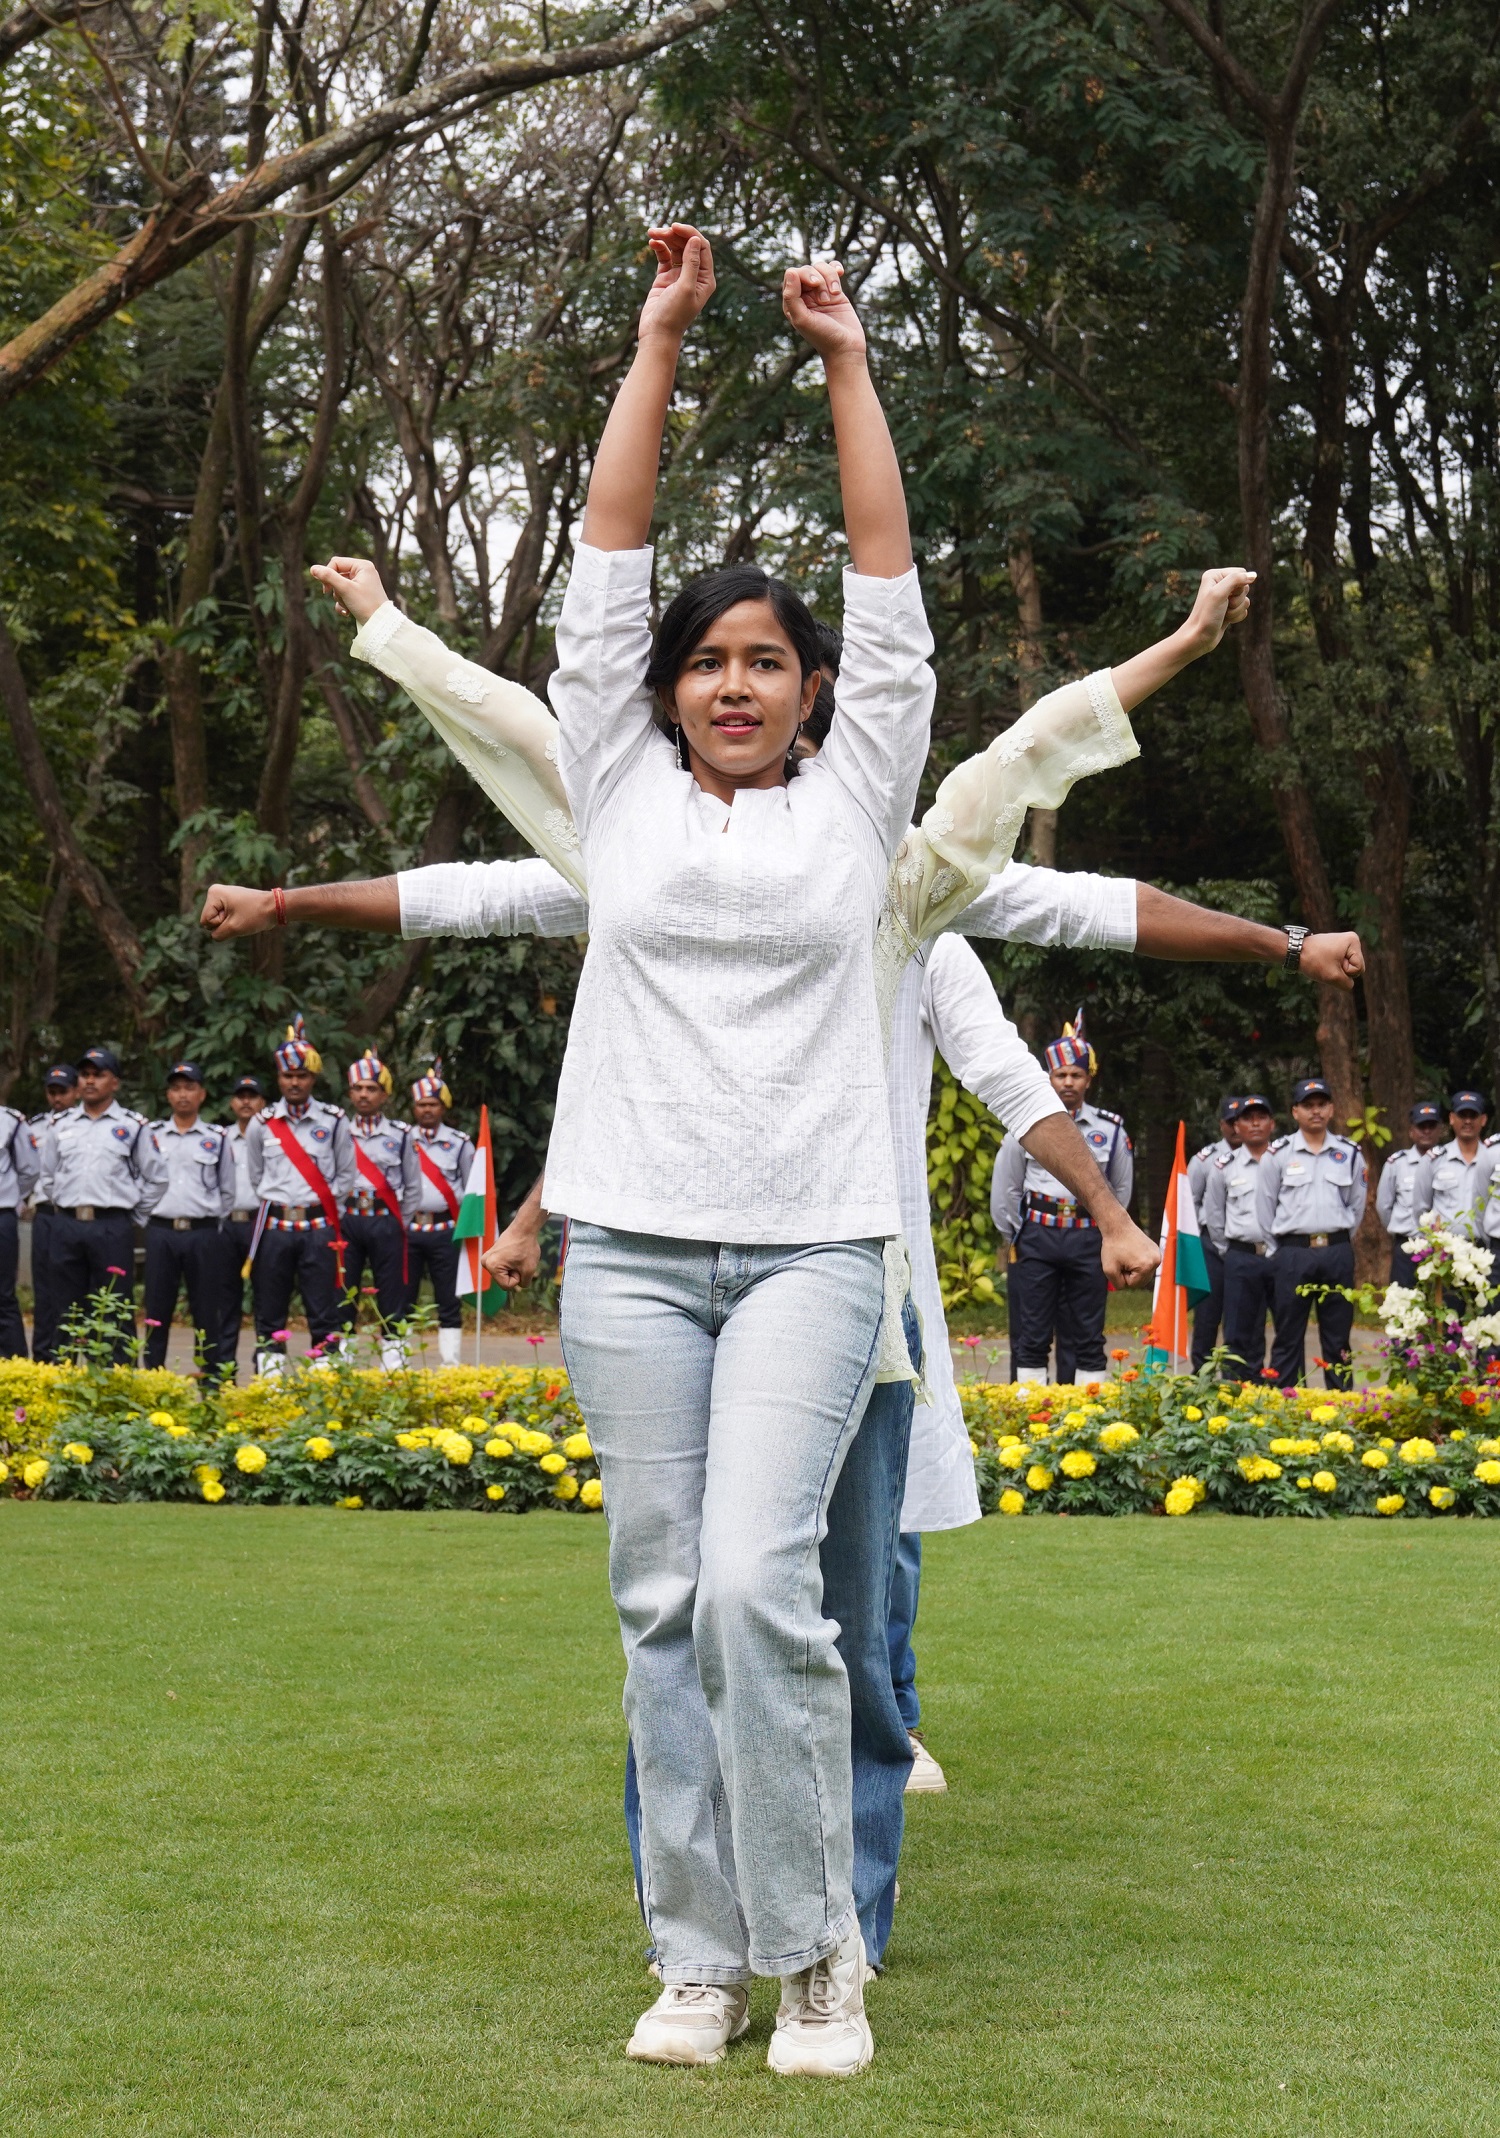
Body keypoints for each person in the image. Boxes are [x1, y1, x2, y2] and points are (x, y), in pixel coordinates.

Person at [991, 1012, 1133, 1385]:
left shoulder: (1110, 1129)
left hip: (1088, 1236)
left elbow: (1120, 1190)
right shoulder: (1025, 1125)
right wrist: (1017, 1235)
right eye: (1060, 1075)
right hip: (1038, 1236)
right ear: (1048, 1078)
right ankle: (1030, 1418)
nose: (1068, 1082)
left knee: (1088, 1332)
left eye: (1076, 1075)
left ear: (1089, 1079)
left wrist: (1108, 1231)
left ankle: (1086, 1417)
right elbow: (1007, 1188)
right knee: (1032, 1332)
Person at [32, 1046, 167, 1361]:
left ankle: (113, 1390)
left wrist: (133, 1217)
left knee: (113, 1308)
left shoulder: (133, 1126)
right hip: (65, 1225)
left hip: (111, 1227)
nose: (90, 1081)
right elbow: (47, 1176)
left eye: (99, 1075)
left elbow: (157, 1178)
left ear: (115, 1082)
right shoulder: (61, 1125)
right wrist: (65, 1206)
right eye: (85, 1075)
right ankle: (61, 1384)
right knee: (64, 1309)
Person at [245, 1018, 354, 1375]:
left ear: (313, 1079)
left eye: (302, 1076)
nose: (294, 1082)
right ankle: (271, 1385)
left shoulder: (334, 1121)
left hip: (319, 1228)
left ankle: (323, 1385)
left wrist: (316, 1203)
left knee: (323, 1309)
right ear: (279, 1078)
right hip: (275, 1227)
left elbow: (345, 1176)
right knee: (269, 1308)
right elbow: (255, 1175)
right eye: (288, 1076)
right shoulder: (262, 1123)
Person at [1255, 1076, 1367, 1390]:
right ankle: (1285, 1404)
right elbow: (1265, 1207)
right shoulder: (1277, 1154)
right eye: (1308, 1106)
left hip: (1336, 1252)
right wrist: (1281, 1249)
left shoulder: (1349, 1153)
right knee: (1288, 1333)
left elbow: (1356, 1206)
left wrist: (1337, 1239)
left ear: (1331, 1109)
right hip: (1293, 1253)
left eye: (1321, 1104)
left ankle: (1342, 1406)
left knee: (1338, 1335)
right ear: (1295, 1112)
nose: (1315, 1111)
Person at [142, 1061, 237, 1375]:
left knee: (206, 1308)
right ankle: (153, 1377)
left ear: (202, 1094)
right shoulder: (152, 1135)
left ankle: (209, 1380)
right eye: (176, 1088)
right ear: (168, 1095)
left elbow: (228, 1190)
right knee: (157, 1308)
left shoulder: (217, 1137)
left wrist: (209, 1222)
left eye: (189, 1088)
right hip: (160, 1230)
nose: (183, 1095)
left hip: (203, 1233)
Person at [342, 1052, 419, 1371]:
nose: (364, 1094)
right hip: (347, 1219)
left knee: (392, 1290)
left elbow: (413, 1186)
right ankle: (340, 1361)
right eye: (358, 1088)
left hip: (386, 1220)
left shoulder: (401, 1134)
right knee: (344, 1290)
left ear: (384, 1095)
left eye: (371, 1088)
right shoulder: (338, 1131)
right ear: (350, 1093)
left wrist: (400, 1222)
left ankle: (394, 1365)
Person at [1200, 1093, 1276, 1377]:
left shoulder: (1284, 1162)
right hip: (1241, 1256)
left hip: (1281, 1256)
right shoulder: (1223, 1166)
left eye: (1261, 1118)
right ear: (1236, 1126)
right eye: (1247, 1118)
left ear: (1272, 1123)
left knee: (1288, 1330)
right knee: (1239, 1330)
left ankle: (1287, 1394)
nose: (1255, 1124)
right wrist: (1227, 1249)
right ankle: (1236, 1391)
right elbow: (1214, 1215)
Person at [406, 1061, 475, 1369]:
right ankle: (398, 1364)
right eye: (421, 1104)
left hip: (445, 1229)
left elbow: (472, 1188)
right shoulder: (402, 1139)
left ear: (443, 1106)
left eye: (432, 1104)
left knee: (448, 1299)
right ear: (414, 1107)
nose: (427, 1110)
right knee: (401, 1298)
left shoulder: (459, 1143)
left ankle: (451, 1364)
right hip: (407, 1229)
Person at [26, 1062, 80, 1361]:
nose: (57, 1098)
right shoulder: (34, 1126)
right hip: (45, 1214)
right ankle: (43, 1355)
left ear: (75, 1092)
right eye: (52, 1092)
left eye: (63, 1092)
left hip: (71, 1214)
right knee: (44, 1288)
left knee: (70, 1290)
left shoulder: (82, 1124)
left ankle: (67, 1354)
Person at [1188, 1097, 1241, 1368]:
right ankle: (1200, 1375)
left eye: (1239, 1121)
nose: (1235, 1128)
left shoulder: (1264, 1157)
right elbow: (1190, 1202)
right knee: (1208, 1315)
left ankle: (1237, 1377)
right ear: (1221, 1125)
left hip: (1243, 1244)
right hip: (1210, 1245)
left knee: (1242, 1315)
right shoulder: (1205, 1160)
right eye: (1230, 1122)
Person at [222, 1074, 266, 1364]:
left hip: (260, 1224)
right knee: (224, 1301)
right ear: (232, 1102)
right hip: (225, 1225)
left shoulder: (273, 1135)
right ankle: (224, 1369)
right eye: (241, 1096)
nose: (246, 1101)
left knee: (266, 1297)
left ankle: (266, 1365)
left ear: (263, 1103)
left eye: (252, 1096)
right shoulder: (219, 1138)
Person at [1377, 1100, 1445, 1285]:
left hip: (1443, 1247)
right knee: (1405, 1304)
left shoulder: (1450, 1161)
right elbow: (1384, 1206)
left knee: (1444, 1306)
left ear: (1440, 1130)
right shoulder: (1397, 1164)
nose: (1427, 1131)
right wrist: (1402, 1230)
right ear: (1411, 1131)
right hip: (1407, 1246)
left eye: (1431, 1126)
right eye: (1421, 1126)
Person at [1413, 1089, 1488, 1237]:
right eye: (1462, 1115)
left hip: (1488, 1250)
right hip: (1445, 1250)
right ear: (1452, 1118)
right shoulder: (1433, 1160)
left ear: (1483, 1120)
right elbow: (1420, 1210)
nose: (1467, 1121)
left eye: (1473, 1116)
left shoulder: (1494, 1159)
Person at [0, 1088, 39, 1357]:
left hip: (1, 1217)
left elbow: (29, 1170)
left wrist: (11, 1197)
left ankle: (14, 1368)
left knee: (3, 1296)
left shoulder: (11, 1122)